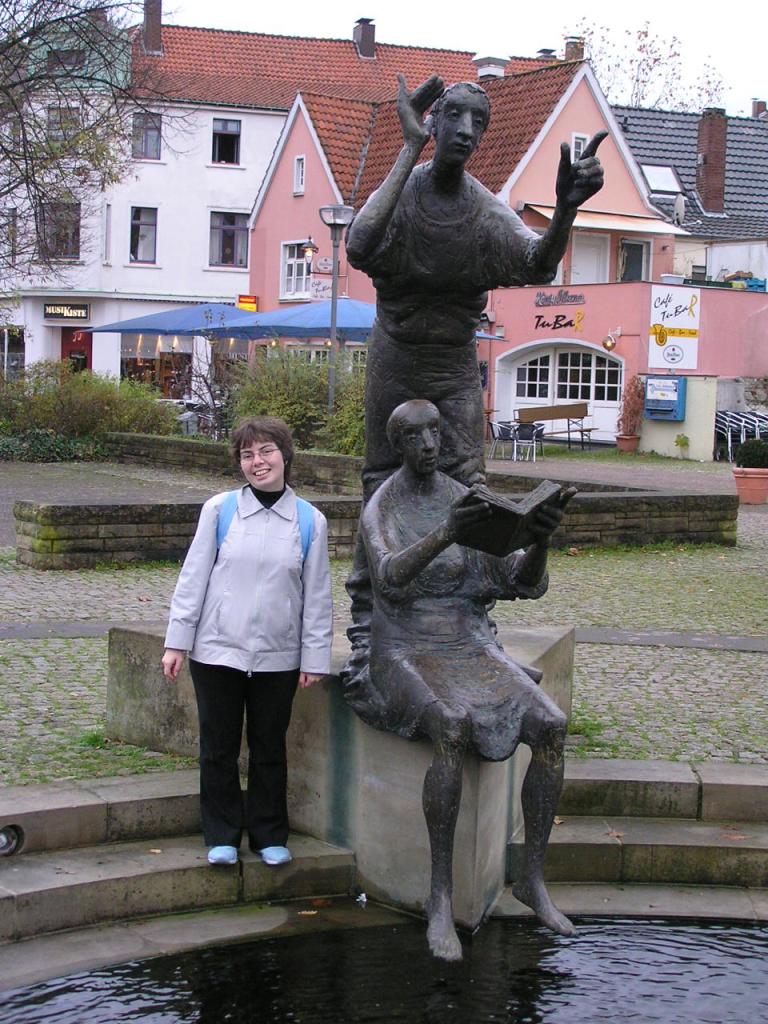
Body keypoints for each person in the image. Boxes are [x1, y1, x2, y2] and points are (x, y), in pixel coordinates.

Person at [343, 75, 605, 673]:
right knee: (380, 478)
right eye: (455, 116)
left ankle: (472, 614)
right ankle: (369, 617)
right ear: (434, 121)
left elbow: (537, 265)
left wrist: (565, 210)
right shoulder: (403, 191)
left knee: (467, 482)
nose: (466, 130)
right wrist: (407, 148)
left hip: (455, 364)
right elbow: (359, 245)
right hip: (396, 354)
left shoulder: (483, 209)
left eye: (478, 122)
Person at [350, 399, 573, 961]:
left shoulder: (463, 498)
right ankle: (440, 897)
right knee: (450, 725)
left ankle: (532, 878)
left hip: (468, 641)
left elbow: (519, 582)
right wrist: (447, 533)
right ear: (397, 444)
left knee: (551, 724)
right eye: (415, 436)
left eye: (435, 433)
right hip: (405, 645)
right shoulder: (383, 506)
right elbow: (390, 578)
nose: (429, 445)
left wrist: (540, 539)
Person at [162, 417, 333, 867]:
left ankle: (268, 834)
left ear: (285, 455)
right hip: (216, 651)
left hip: (278, 656)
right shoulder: (220, 511)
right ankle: (221, 835)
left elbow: (316, 595)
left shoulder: (310, 520)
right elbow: (193, 578)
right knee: (217, 747)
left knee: (269, 748)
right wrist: (177, 642)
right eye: (247, 454)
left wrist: (314, 657)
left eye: (266, 451)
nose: (257, 462)